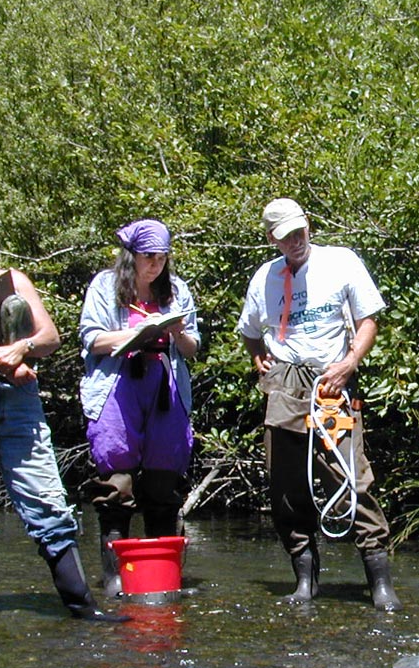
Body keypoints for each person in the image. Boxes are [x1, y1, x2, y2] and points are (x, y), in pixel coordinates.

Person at [0, 203, 126, 623]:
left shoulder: (12, 279)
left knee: (45, 495)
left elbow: (48, 335)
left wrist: (22, 348)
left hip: (19, 400)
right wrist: (0, 359)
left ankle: (81, 605)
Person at [237, 197, 400, 611]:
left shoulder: (341, 262)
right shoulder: (264, 278)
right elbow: (250, 330)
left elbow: (368, 320)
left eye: (300, 230)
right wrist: (259, 358)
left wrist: (350, 363)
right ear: (272, 238)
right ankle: (305, 577)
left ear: (308, 226)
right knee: (285, 481)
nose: (296, 239)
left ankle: (379, 579)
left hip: (331, 378)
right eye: (286, 235)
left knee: (349, 474)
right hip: (284, 380)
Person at [78, 219, 199, 596]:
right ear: (131, 256)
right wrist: (136, 333)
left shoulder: (176, 290)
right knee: (118, 482)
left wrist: (176, 331)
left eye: (162, 258)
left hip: (164, 387)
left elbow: (193, 347)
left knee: (163, 483)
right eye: (149, 257)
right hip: (118, 386)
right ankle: (116, 578)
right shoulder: (104, 285)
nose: (156, 266)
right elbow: (92, 339)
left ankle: (161, 577)